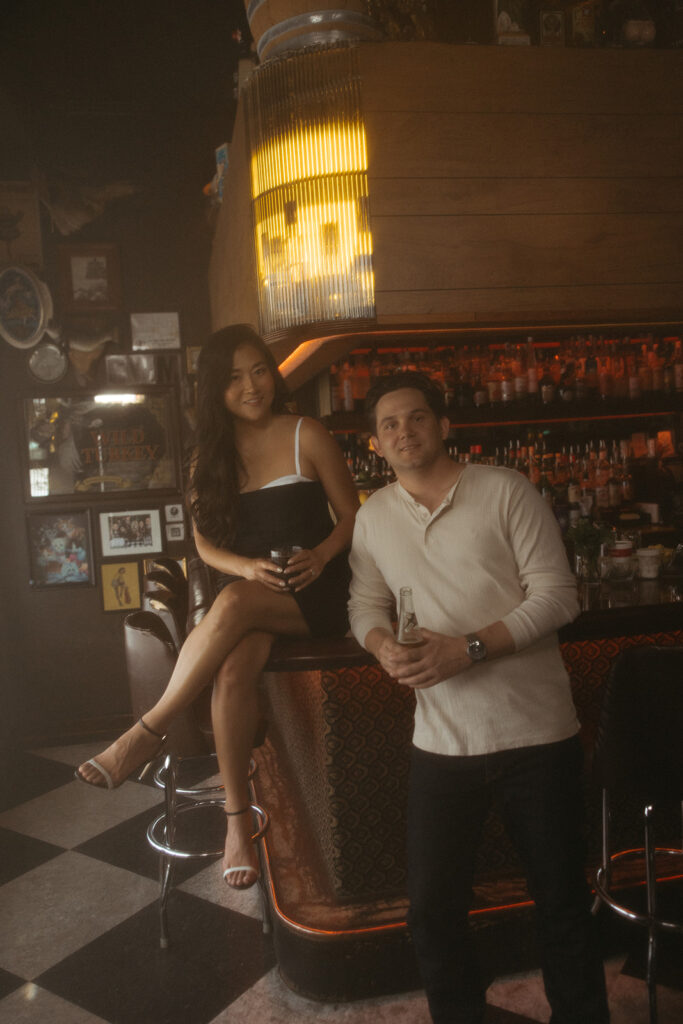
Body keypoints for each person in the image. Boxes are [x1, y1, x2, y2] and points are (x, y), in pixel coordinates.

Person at [347, 372, 609, 1024]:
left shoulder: (503, 491)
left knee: (560, 904)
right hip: (441, 741)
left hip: (537, 734)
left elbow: (556, 598)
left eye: (415, 418)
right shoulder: (373, 517)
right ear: (375, 443)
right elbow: (362, 605)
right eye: (389, 424)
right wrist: (380, 645)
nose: (403, 431)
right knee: (432, 914)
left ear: (442, 425)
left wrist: (466, 647)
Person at [77, 325, 359, 890]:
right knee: (231, 672)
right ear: (215, 391)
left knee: (230, 606)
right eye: (233, 378)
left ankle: (145, 731)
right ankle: (237, 826)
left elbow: (355, 517)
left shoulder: (307, 432)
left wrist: (322, 556)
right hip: (258, 594)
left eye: (258, 370)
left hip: (320, 592)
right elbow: (204, 543)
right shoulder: (211, 456)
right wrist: (247, 567)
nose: (251, 386)